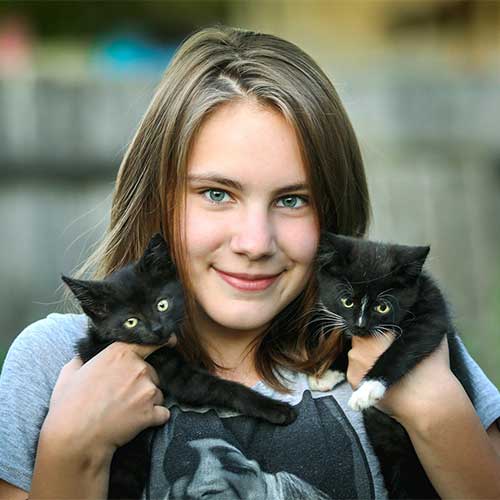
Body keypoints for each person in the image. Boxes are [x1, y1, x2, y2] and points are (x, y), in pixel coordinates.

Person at [0, 25, 499, 499]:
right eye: (217, 193)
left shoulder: (404, 351)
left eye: (292, 200)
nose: (255, 242)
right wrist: (72, 449)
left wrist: (439, 414)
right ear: (156, 199)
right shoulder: (56, 367)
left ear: (333, 213)